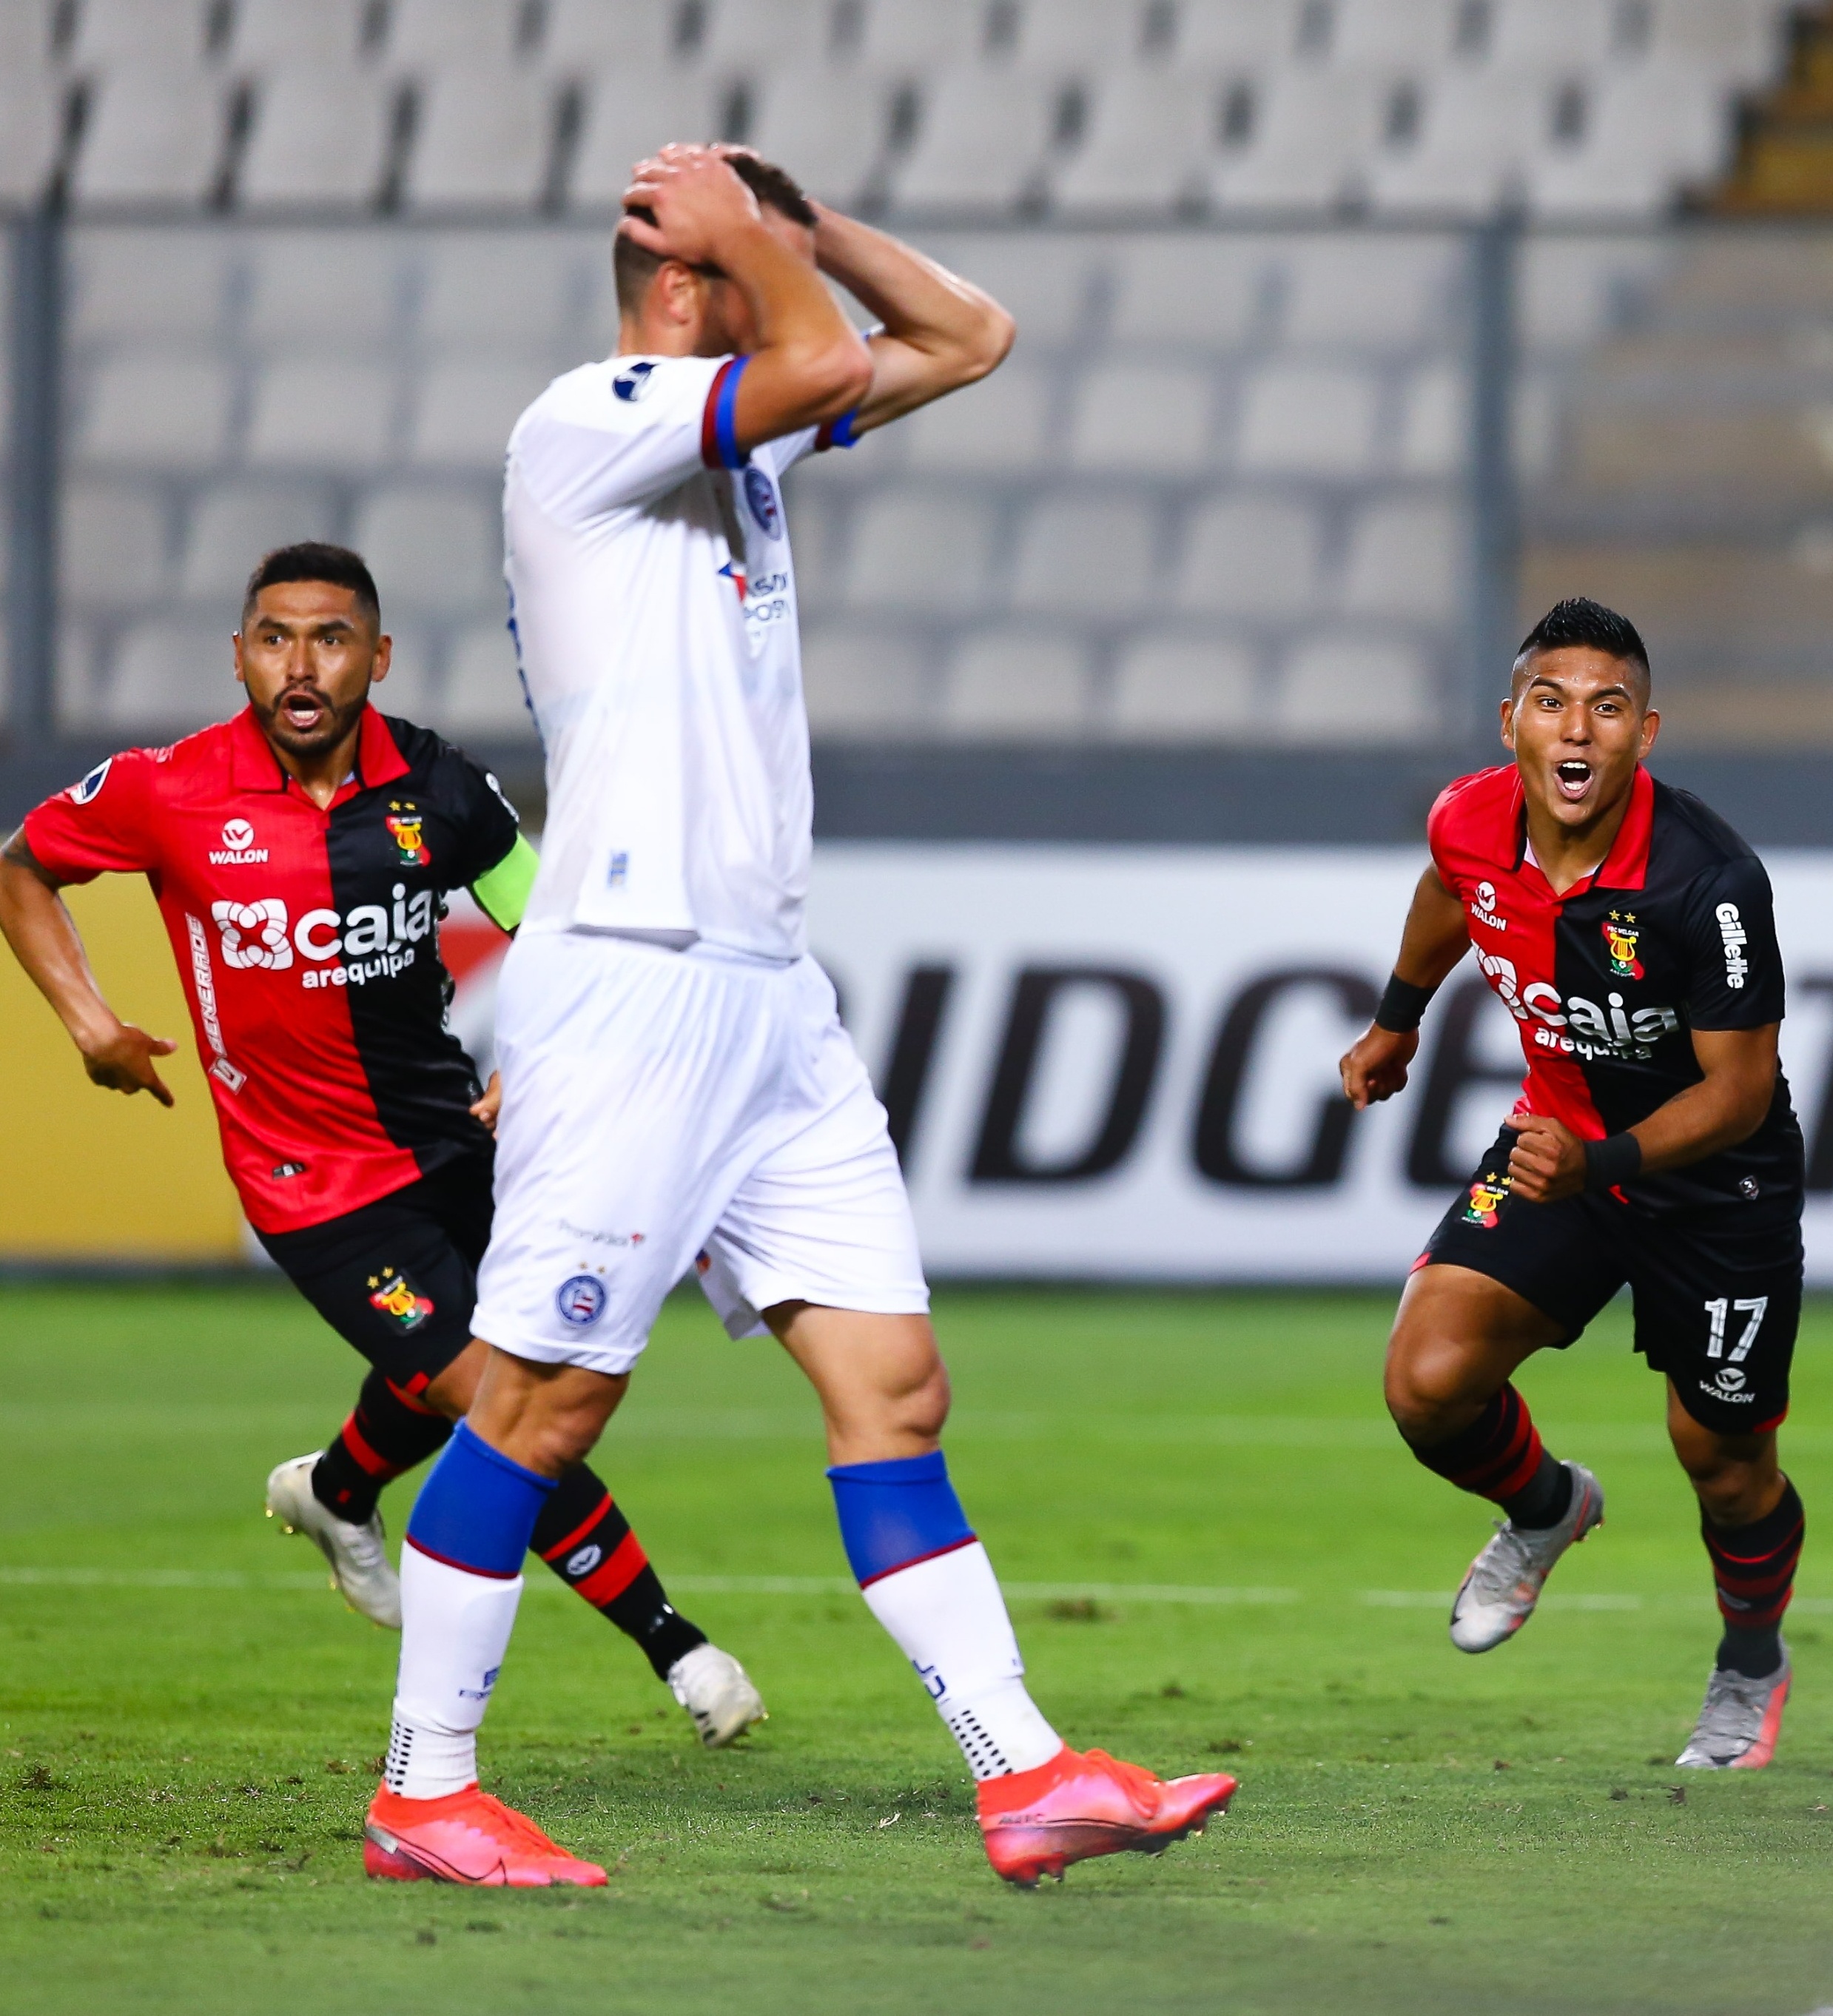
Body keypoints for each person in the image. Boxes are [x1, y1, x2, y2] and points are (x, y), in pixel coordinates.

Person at [361, 144, 1235, 1892]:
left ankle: (1025, 1771)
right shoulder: (589, 417)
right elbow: (835, 361)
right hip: (637, 976)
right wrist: (764, 245)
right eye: (742, 257)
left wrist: (804, 218)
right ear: (679, 275)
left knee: (893, 1385)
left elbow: (971, 336)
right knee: (539, 1405)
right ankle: (423, 1788)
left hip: (771, 997)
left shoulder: (740, 446)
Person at [0, 542, 766, 1747]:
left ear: (377, 657)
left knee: (477, 1363)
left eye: (331, 638)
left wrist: (545, 1057)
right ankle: (680, 1650)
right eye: (275, 637)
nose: (301, 665)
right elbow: (24, 868)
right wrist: (91, 1024)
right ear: (242, 654)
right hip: (310, 1184)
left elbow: (553, 922)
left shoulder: (440, 788)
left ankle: (338, 1488)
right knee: (500, 1395)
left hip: (449, 1141)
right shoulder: (170, 789)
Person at [1339, 597, 1812, 1771]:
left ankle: (1751, 1666)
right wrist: (1399, 1020)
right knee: (1427, 1383)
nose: (1578, 730)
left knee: (1724, 1460)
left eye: (1608, 708)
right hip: (1563, 1149)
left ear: (1645, 735)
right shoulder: (1469, 820)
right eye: (1553, 703)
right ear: (1513, 723)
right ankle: (1548, 1508)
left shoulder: (1710, 882)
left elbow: (1741, 1091)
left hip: (1717, 1194)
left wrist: (1601, 1160)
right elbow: (1452, 891)